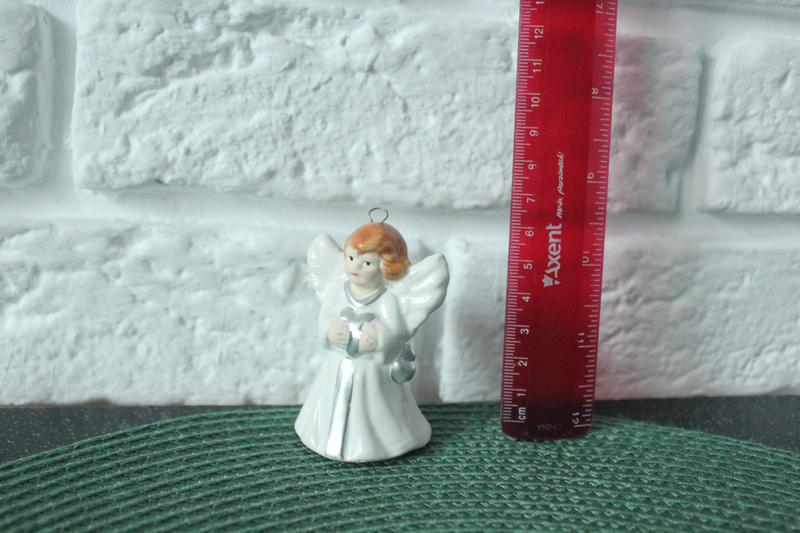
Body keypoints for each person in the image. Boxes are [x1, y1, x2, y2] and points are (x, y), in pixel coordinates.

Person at [295, 213, 449, 462]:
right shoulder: (337, 290)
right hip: (338, 364)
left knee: (374, 405)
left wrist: (378, 337)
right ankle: (321, 434)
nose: (354, 267)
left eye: (366, 263)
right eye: (350, 258)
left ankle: (376, 442)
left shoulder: (387, 299)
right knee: (330, 398)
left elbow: (396, 331)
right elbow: (325, 318)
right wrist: (330, 331)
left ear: (386, 268)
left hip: (371, 371)